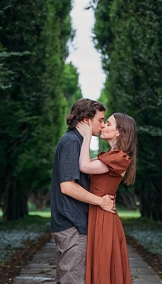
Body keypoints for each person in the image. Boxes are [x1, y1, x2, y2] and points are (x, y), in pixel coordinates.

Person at [50, 98, 116, 284]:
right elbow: (67, 186)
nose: (102, 125)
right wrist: (101, 201)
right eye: (100, 120)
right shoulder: (72, 142)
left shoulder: (76, 142)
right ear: (87, 120)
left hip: (71, 223)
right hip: (72, 224)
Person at [76, 112, 137, 284]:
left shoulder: (120, 158)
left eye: (108, 124)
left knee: (103, 267)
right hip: (98, 212)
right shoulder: (111, 155)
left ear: (119, 131)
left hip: (103, 217)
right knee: (100, 266)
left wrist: (87, 136)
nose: (103, 126)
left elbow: (84, 166)